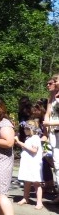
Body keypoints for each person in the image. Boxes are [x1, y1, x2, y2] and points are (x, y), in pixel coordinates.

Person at [16, 121, 43, 209]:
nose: (24, 130)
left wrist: (20, 143)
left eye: (26, 128)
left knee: (36, 183)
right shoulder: (29, 138)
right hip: (27, 163)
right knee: (27, 181)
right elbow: (27, 148)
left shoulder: (35, 138)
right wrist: (21, 144)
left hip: (33, 164)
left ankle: (39, 202)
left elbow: (34, 150)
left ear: (30, 129)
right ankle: (25, 198)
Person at [43, 74, 59, 203]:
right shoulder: (52, 97)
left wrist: (50, 124)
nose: (49, 85)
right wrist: (47, 127)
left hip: (56, 129)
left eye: (52, 82)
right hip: (54, 133)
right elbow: (48, 114)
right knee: (57, 163)